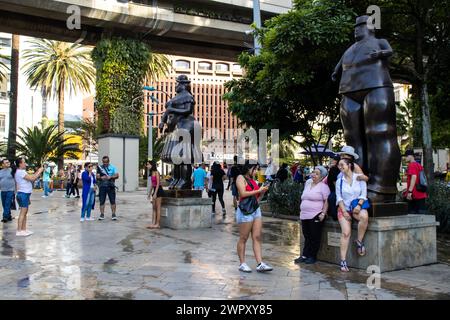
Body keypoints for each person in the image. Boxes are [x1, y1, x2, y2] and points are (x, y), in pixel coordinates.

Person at [236, 161, 272, 273]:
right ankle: (242, 263)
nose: (256, 171)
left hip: (255, 210)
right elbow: (242, 194)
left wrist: (262, 193)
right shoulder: (240, 178)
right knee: (244, 237)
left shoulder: (252, 180)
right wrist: (259, 190)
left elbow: (255, 200)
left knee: (257, 237)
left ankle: (260, 263)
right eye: (255, 169)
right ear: (249, 168)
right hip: (245, 211)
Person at [336, 158, 369, 272]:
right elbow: (339, 198)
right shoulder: (339, 180)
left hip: (356, 206)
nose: (340, 167)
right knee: (346, 233)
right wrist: (344, 212)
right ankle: (343, 261)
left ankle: (359, 241)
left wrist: (359, 205)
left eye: (342, 165)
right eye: (338, 165)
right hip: (344, 208)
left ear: (349, 165)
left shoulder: (359, 178)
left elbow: (363, 193)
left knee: (364, 217)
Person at [295, 166, 330, 264]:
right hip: (304, 214)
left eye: (317, 173)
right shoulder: (308, 183)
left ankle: (312, 256)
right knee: (306, 235)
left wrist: (323, 213)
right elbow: (303, 197)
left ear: (322, 177)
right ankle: (304, 255)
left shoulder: (323, 187)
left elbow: (326, 201)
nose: (314, 174)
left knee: (314, 236)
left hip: (316, 214)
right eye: (313, 172)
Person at [12, 158, 43, 236]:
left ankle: (24, 229)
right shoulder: (20, 172)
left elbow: (32, 176)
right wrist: (39, 171)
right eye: (24, 162)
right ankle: (19, 230)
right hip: (23, 194)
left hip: (25, 194)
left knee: (25, 212)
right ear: (20, 164)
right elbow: (32, 178)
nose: (25, 164)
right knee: (23, 213)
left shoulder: (20, 172)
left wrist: (38, 171)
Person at [403, 150, 427, 214]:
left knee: (412, 216)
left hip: (414, 195)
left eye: (406, 156)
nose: (405, 158)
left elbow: (414, 177)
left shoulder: (412, 165)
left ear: (411, 156)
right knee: (422, 216)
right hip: (421, 194)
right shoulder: (418, 165)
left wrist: (410, 192)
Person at [97, 156, 119, 221]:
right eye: (104, 162)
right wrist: (101, 178)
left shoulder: (113, 167)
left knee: (112, 201)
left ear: (108, 161)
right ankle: (102, 214)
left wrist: (111, 177)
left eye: (106, 162)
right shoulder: (100, 168)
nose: (105, 163)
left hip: (111, 186)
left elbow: (117, 175)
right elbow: (97, 176)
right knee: (102, 201)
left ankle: (113, 214)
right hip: (102, 186)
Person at [147, 160, 164, 229]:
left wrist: (155, 193)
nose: (147, 166)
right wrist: (149, 193)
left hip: (159, 191)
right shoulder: (152, 173)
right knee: (154, 208)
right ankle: (153, 223)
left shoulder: (157, 173)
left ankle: (157, 224)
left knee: (158, 207)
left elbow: (157, 184)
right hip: (155, 190)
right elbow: (152, 185)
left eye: (148, 164)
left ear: (152, 165)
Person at [325, 155, 341, 220]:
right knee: (331, 198)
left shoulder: (334, 169)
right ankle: (334, 215)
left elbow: (335, 182)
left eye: (334, 160)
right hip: (334, 189)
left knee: (332, 198)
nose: (332, 161)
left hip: (336, 190)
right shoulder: (333, 169)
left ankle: (335, 215)